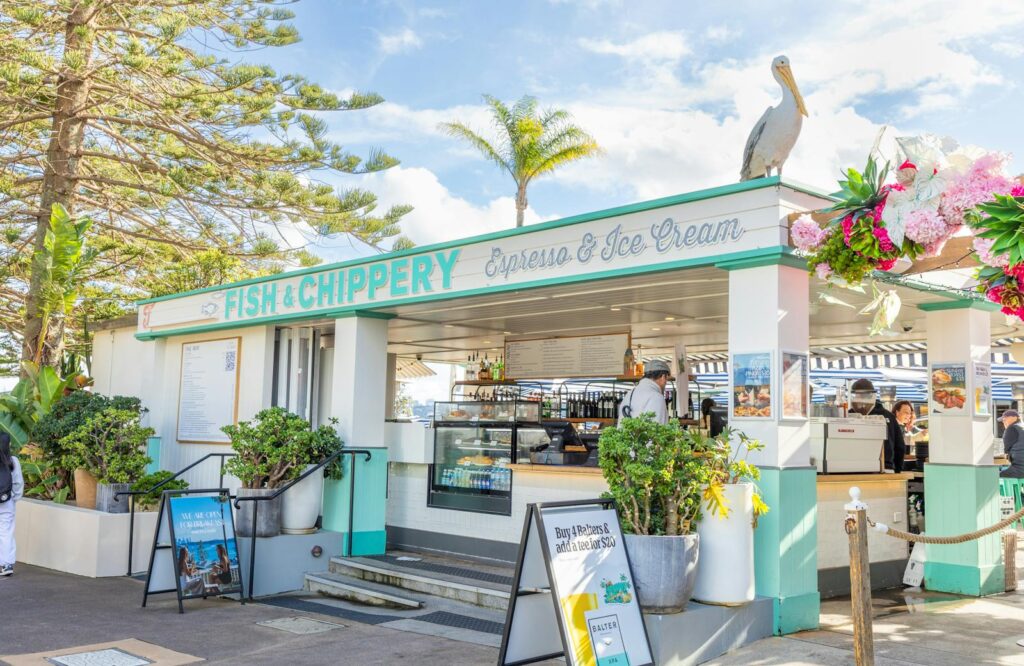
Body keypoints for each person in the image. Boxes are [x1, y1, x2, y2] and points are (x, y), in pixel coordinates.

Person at [849, 379, 904, 473]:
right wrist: (897, 470)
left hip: (870, 468)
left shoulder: (888, 417)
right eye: (858, 395)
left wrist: (896, 469)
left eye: (862, 395)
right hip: (880, 468)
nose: (860, 398)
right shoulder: (888, 416)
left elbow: (899, 446)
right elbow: (900, 447)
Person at [619, 360, 671, 425]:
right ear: (663, 377)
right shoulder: (656, 397)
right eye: (666, 379)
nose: (665, 383)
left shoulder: (630, 394)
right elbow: (658, 431)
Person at [0, 432, 23, 577]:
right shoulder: (12, 460)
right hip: (5, 501)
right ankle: (6, 564)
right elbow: (18, 483)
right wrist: (13, 498)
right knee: (6, 532)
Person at [999, 410, 1024, 478]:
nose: (1003, 422)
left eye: (1005, 419)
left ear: (1015, 417)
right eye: (1002, 420)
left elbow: (1006, 453)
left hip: (1019, 470)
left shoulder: (1011, 429)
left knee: (993, 475)